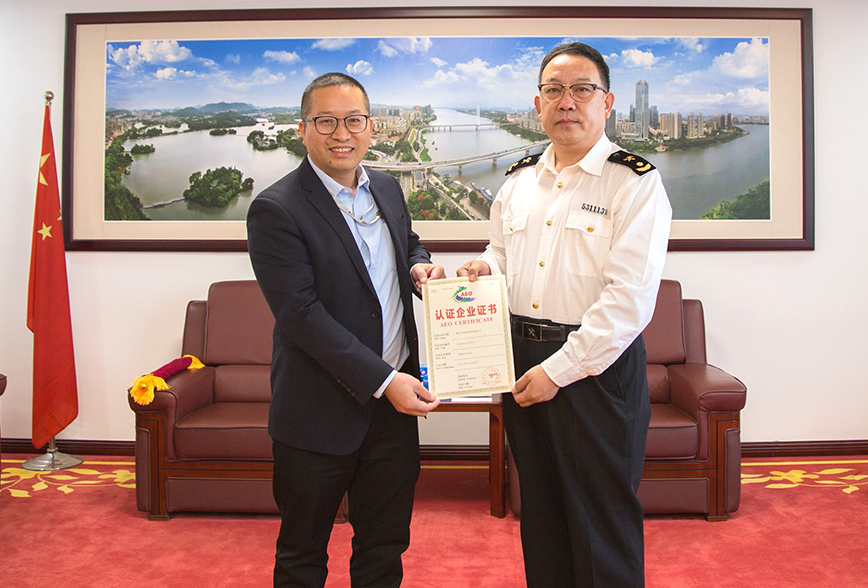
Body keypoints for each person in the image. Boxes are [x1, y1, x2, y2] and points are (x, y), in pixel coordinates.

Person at [457, 42, 672, 587]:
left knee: (601, 522)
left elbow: (629, 299)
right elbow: (501, 254)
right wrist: (483, 270)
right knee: (542, 514)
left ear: (607, 102)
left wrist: (559, 370)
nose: (567, 102)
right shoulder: (518, 180)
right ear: (538, 105)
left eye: (582, 90)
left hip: (593, 369)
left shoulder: (634, 182)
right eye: (554, 91)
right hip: (520, 359)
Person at [247, 72, 444, 587]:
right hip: (318, 412)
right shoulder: (276, 208)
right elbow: (301, 316)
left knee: (384, 548)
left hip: (392, 416)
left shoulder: (386, 187)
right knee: (302, 554)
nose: (342, 134)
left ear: (371, 126)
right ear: (302, 128)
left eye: (354, 120)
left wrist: (419, 266)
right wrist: (385, 380)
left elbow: (408, 243)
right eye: (326, 121)